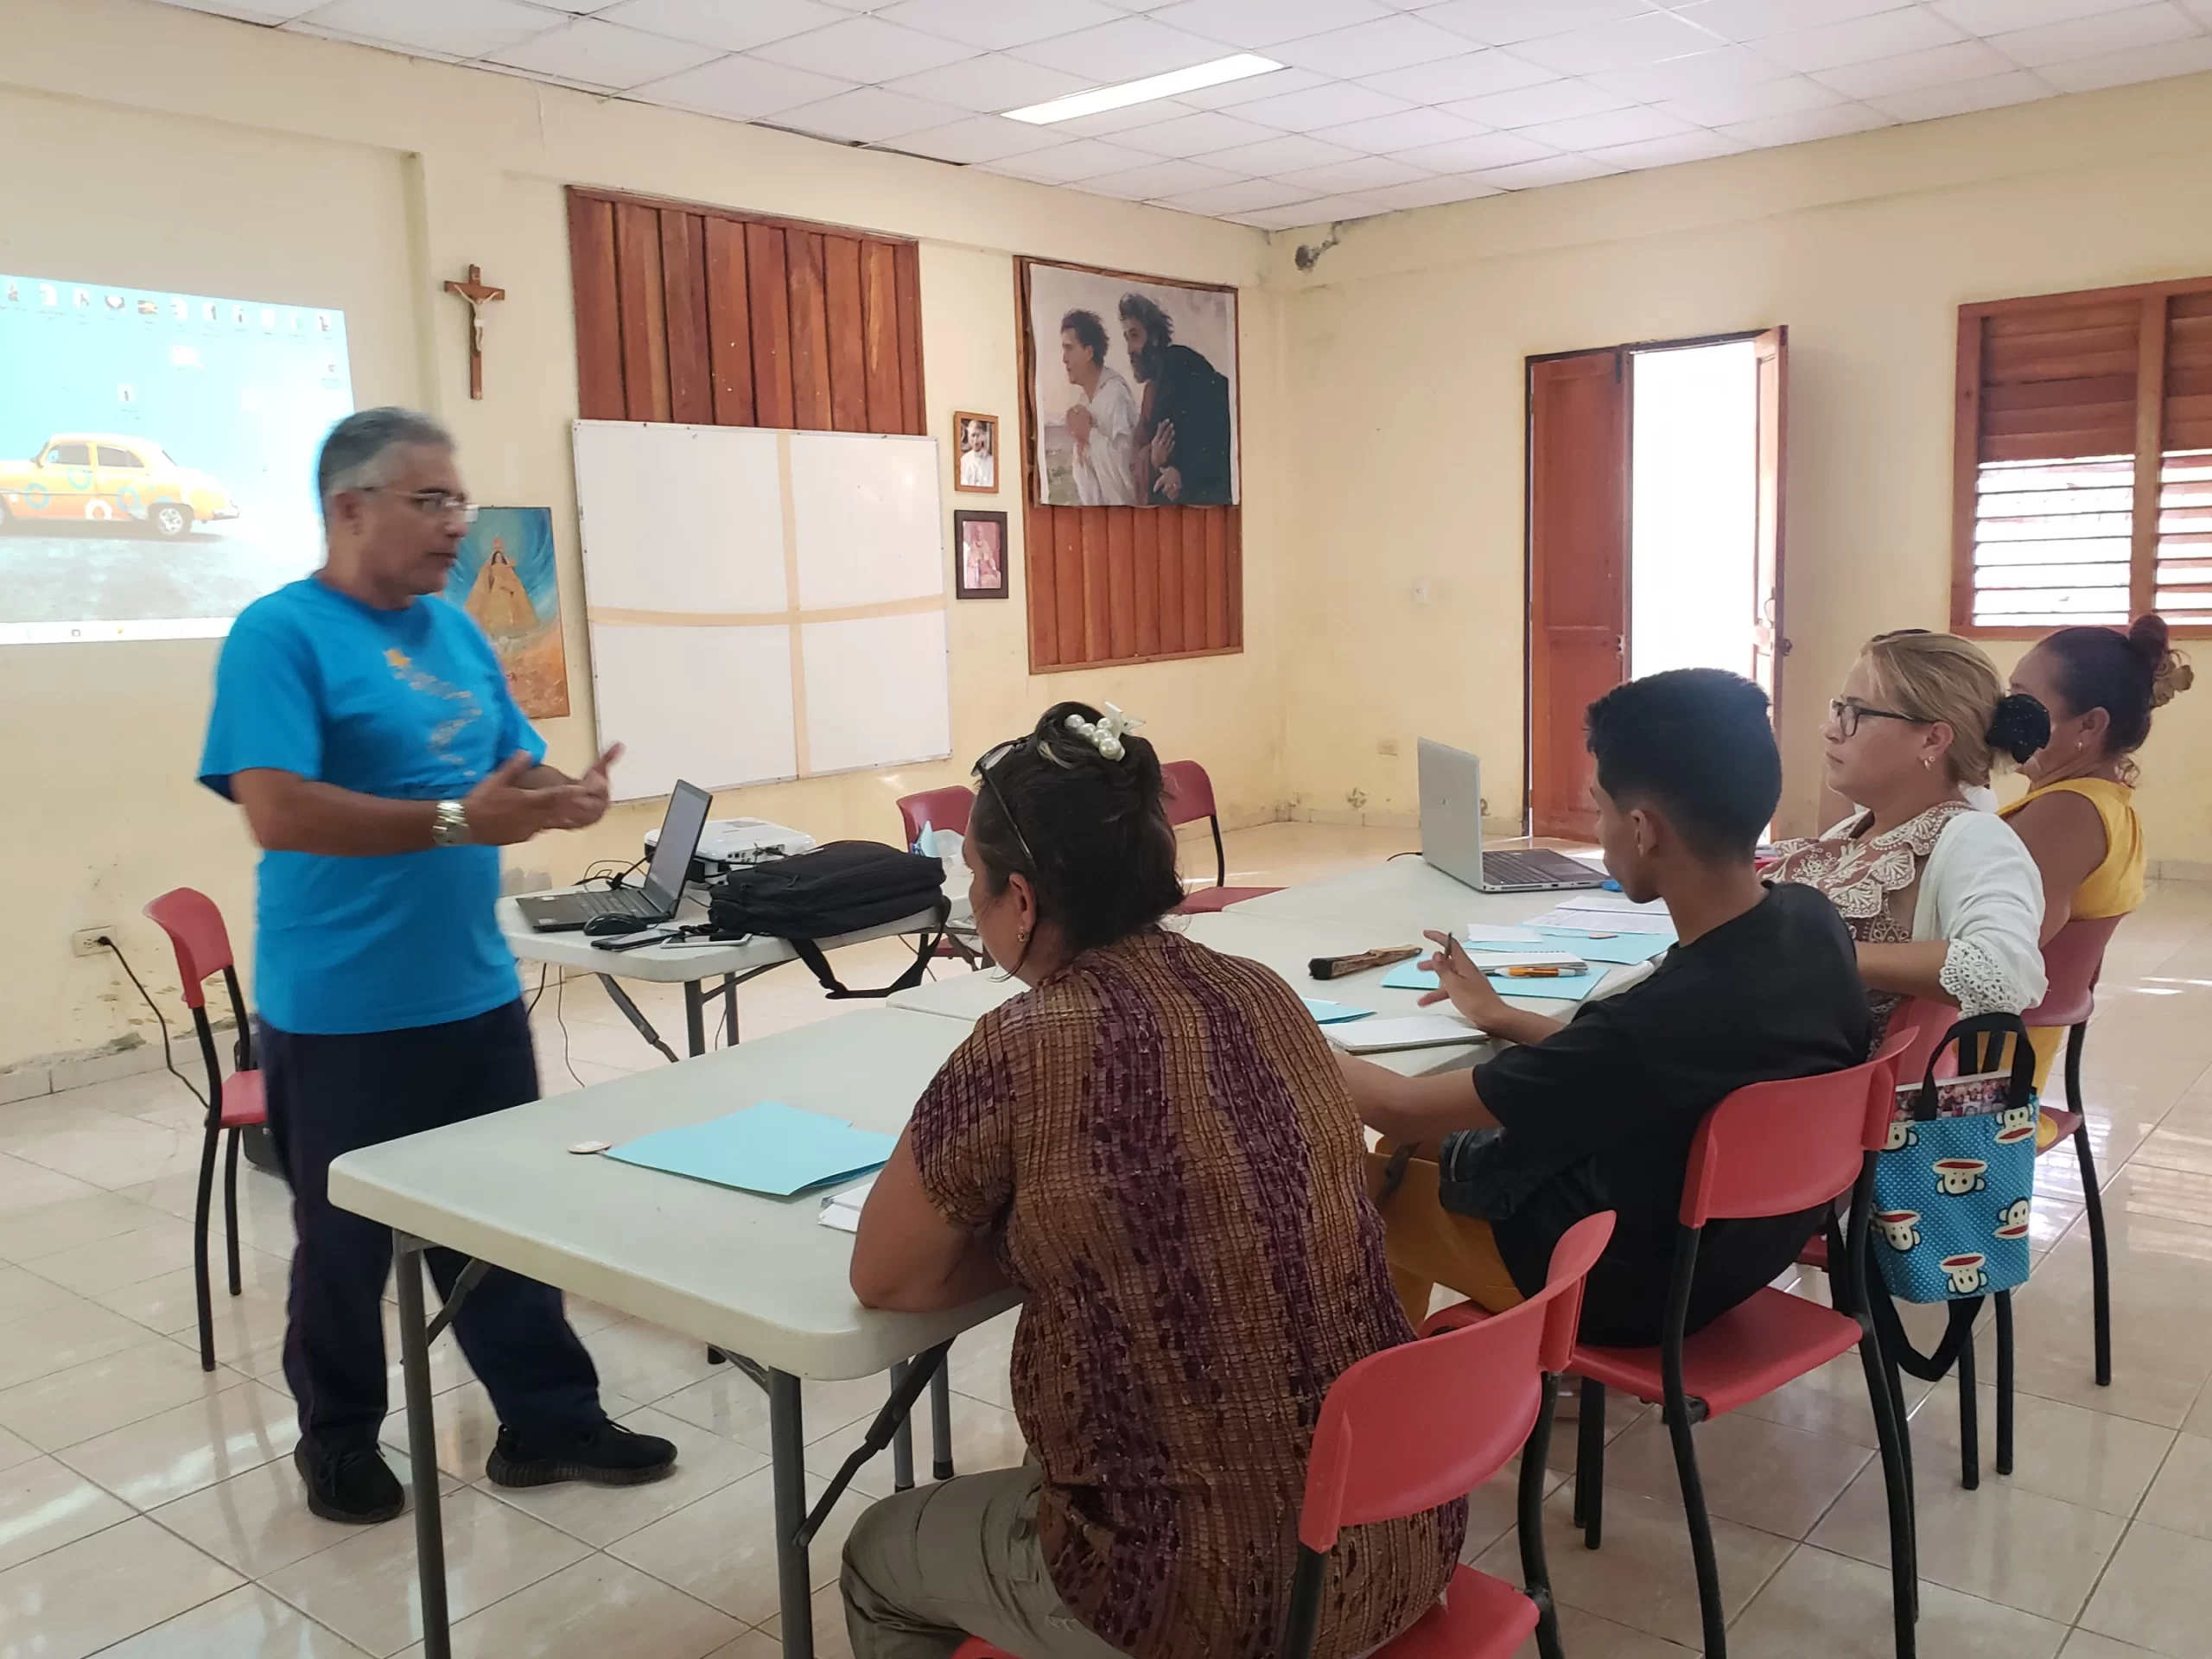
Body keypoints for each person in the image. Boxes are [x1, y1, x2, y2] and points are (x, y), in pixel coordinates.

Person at [841, 702, 1460, 1659]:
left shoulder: (1020, 1048)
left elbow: (886, 1277)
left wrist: (1059, 1241)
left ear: (1021, 900)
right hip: (1399, 1543)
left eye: (973, 878)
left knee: (878, 1553)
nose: (970, 901)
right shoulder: (1262, 992)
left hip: (1200, 1605)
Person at [198, 408, 675, 1525]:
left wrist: (563, 794)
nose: (458, 525)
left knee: (505, 1218)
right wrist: (463, 820)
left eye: (459, 501)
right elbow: (277, 810)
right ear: (349, 507)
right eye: (431, 502)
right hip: (342, 1008)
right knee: (345, 1244)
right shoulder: (280, 635)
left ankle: (546, 1422)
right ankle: (337, 1437)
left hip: (472, 991)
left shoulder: (455, 632)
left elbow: (511, 763)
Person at [1340, 670, 1870, 1344]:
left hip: (1619, 1284)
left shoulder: (1661, 1019)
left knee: (1365, 1175)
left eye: (1599, 809)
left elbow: (1401, 1105)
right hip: (1735, 1254)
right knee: (1409, 1151)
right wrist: (1503, 1018)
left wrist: (1272, 1031)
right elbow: (1644, 1067)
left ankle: (1394, 1373)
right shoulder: (1810, 921)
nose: (1599, 827)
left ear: (1643, 828)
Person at [1766, 630, 2049, 1041]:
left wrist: (1820, 954)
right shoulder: (1857, 829)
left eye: (1856, 713)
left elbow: (2006, 972)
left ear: (1933, 739)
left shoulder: (1973, 838)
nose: (1831, 730)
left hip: (1833, 1076)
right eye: (1838, 709)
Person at [2001, 615, 2193, 1092]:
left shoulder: (2066, 814)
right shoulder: (2099, 803)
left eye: (2022, 697)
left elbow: (1995, 960)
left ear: (2089, 723)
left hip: (1967, 1082)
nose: (2003, 712)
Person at [1119, 292, 1233, 505]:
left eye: (1134, 336)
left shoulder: (1182, 364)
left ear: (1154, 337)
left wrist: (1183, 475)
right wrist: (1152, 458)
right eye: (1126, 338)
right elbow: (1144, 454)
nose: (1129, 350)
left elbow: (1220, 431)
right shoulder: (1152, 389)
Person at [1058, 308, 1139, 506]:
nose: (1064, 358)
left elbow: (1127, 472)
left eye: (1069, 348)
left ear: (1089, 352)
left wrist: (1088, 434)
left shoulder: (1115, 394)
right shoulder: (1084, 401)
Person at [958, 417, 994, 490]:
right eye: (973, 435)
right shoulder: (963, 460)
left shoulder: (991, 461)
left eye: (978, 435)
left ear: (983, 436)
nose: (975, 440)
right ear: (968, 436)